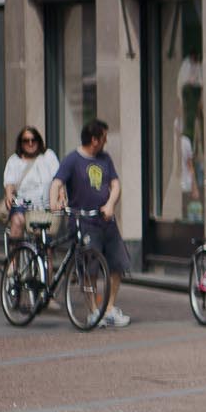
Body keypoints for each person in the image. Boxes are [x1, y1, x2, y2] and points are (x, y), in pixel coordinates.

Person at [50, 120, 133, 329]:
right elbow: (57, 182)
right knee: (90, 269)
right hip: (84, 222)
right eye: (104, 137)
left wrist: (110, 204)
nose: (106, 141)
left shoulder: (105, 159)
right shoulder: (72, 160)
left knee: (118, 264)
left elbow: (115, 184)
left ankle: (109, 308)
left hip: (106, 220)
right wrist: (54, 201)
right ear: (94, 140)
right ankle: (92, 312)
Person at [0, 126, 60, 240]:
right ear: (21, 143)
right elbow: (9, 183)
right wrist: (9, 195)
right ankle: (14, 256)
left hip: (44, 205)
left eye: (33, 140)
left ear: (38, 141)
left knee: (45, 240)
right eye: (26, 141)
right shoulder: (14, 160)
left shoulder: (48, 156)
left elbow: (58, 179)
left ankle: (46, 258)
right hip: (23, 204)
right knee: (17, 222)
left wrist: (61, 196)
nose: (30, 143)